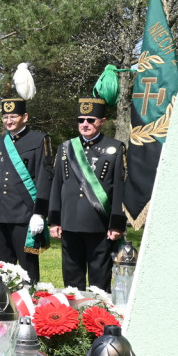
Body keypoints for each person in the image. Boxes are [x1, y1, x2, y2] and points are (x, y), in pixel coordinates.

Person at [48, 97, 127, 291]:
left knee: (99, 280)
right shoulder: (66, 147)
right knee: (71, 279)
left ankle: (98, 318)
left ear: (102, 121)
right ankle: (75, 317)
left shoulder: (115, 148)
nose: (85, 124)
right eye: (81, 120)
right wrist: (55, 220)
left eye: (91, 120)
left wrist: (116, 224)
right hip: (70, 222)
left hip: (98, 224)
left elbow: (119, 189)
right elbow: (57, 185)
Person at [0, 97, 53, 284]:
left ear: (25, 117)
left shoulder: (39, 140)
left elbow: (44, 178)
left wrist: (39, 213)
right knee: (0, 268)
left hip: (24, 213)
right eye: (5, 117)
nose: (8, 121)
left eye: (13, 116)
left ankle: (29, 307)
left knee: (27, 269)